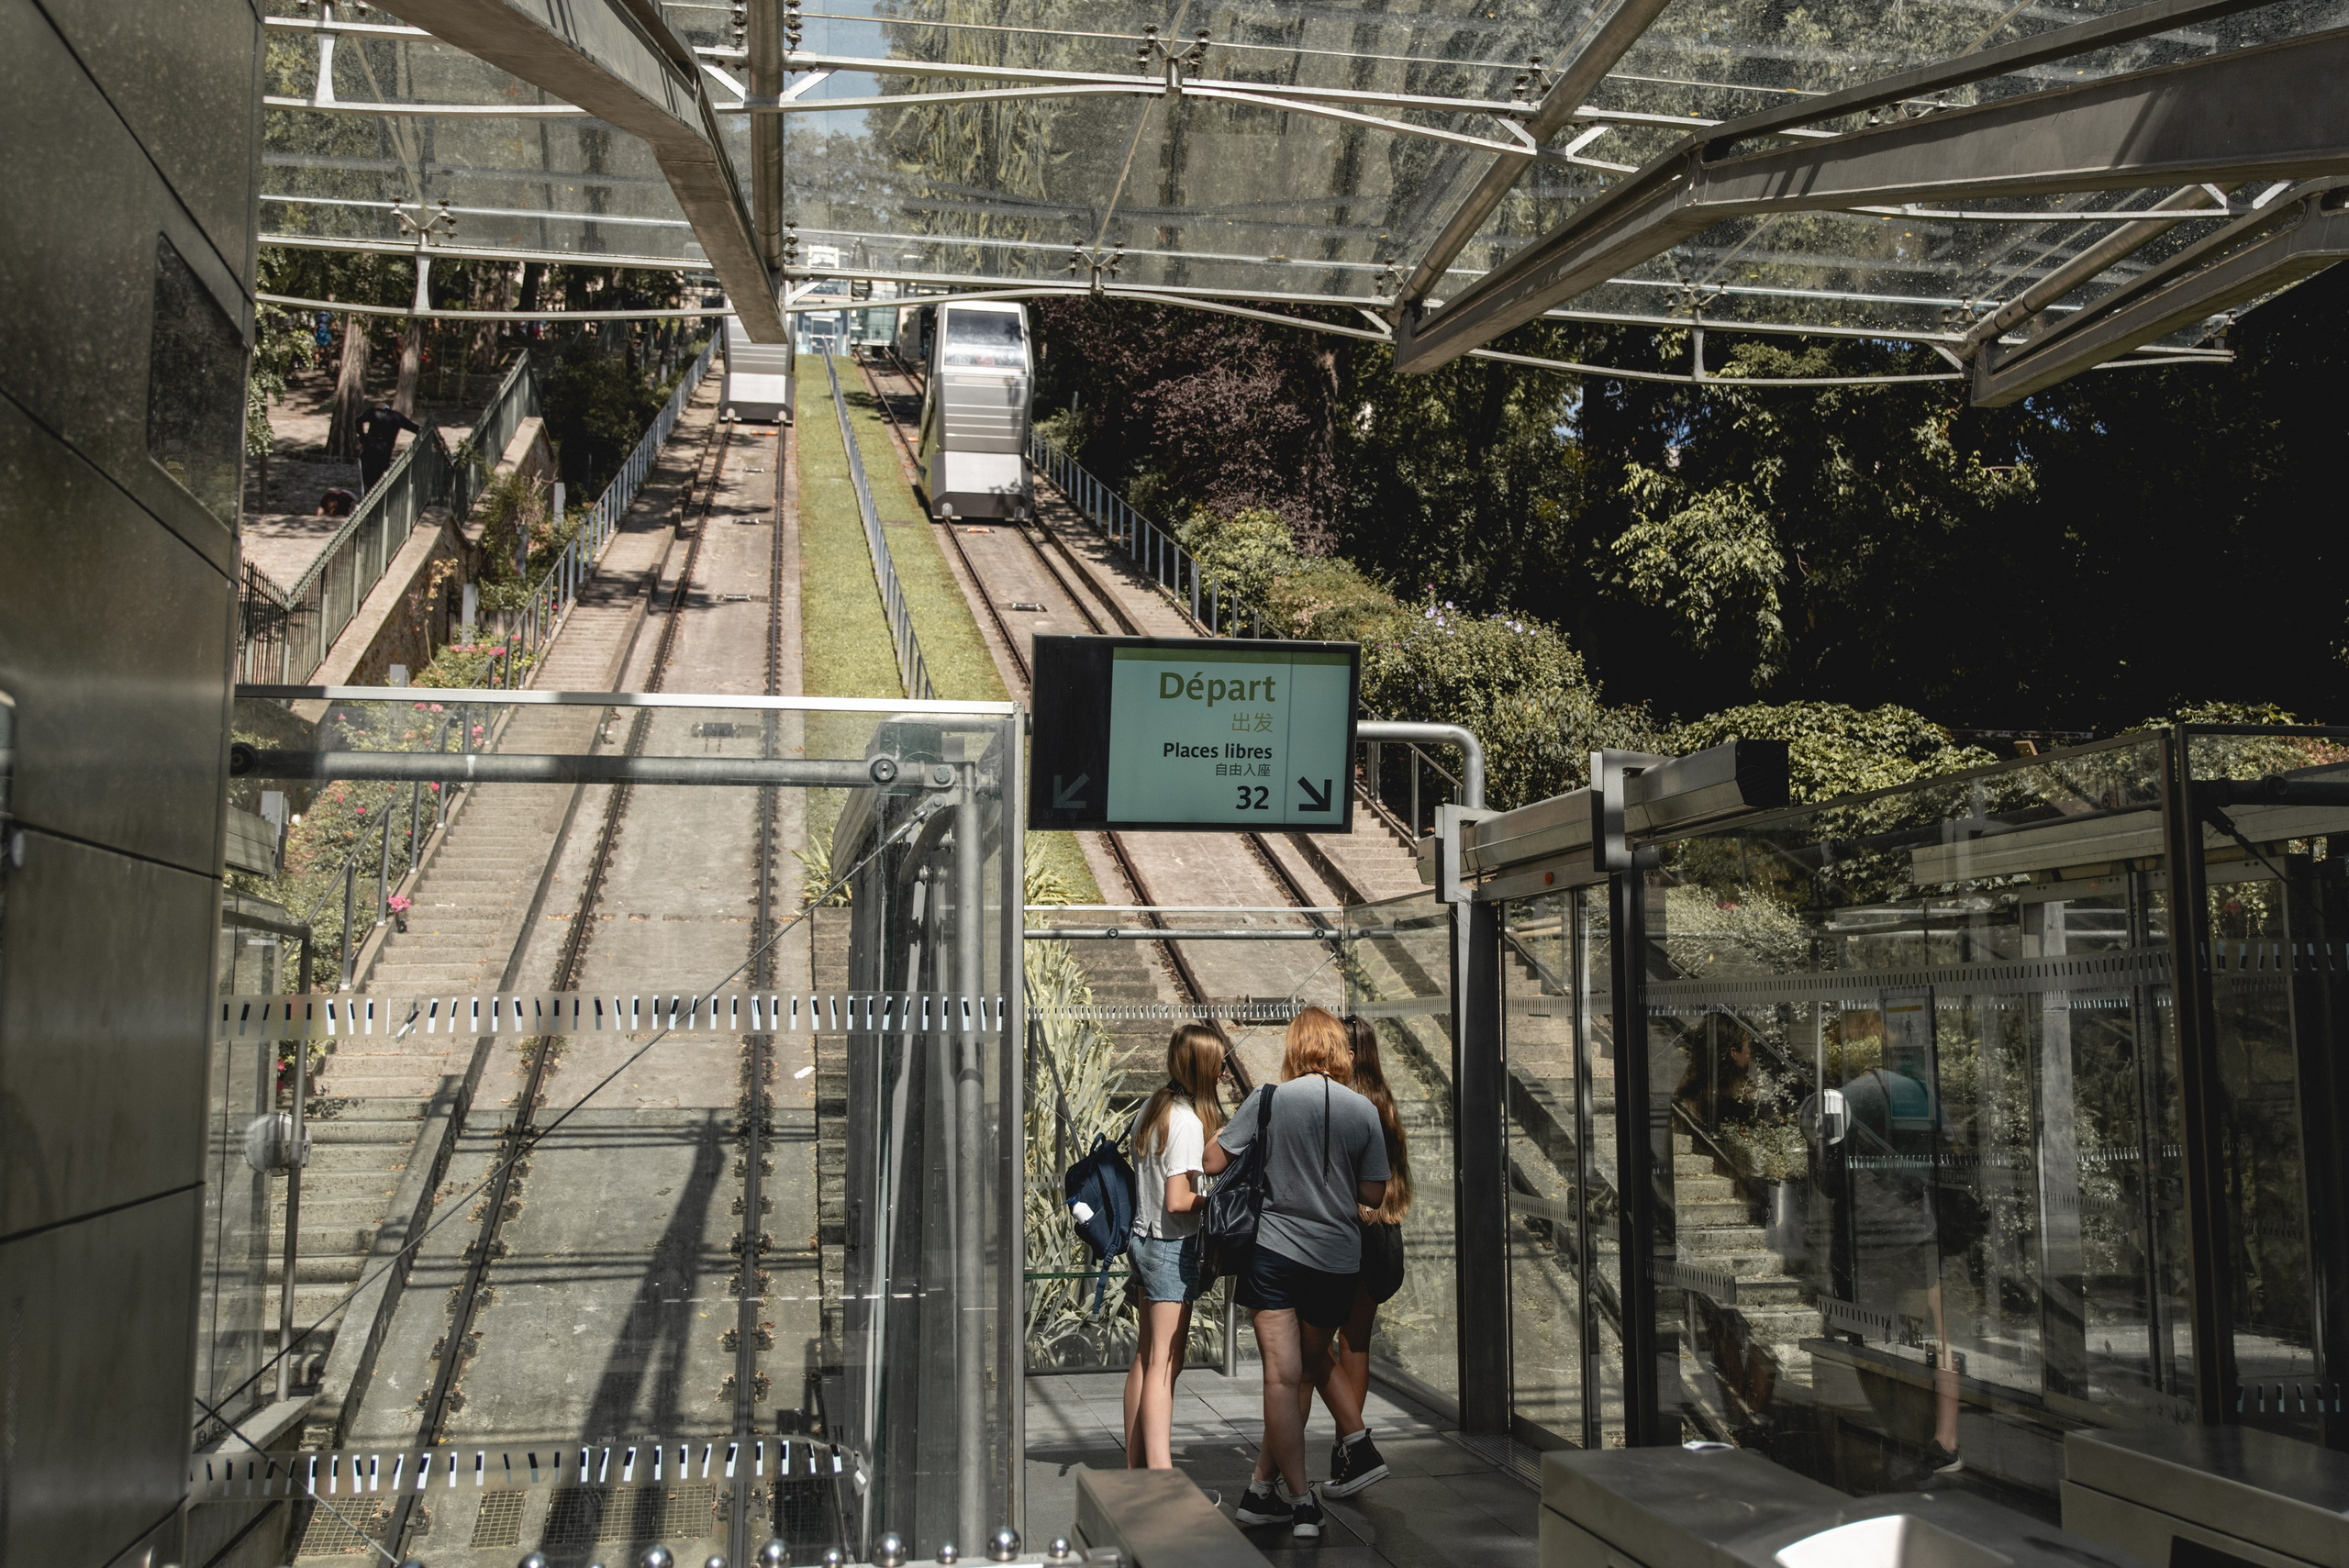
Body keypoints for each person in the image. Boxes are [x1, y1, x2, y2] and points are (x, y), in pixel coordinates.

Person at [1206, 1006, 1388, 1541]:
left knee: (1282, 1379)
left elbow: (1215, 1160)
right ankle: (1266, 1490)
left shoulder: (1268, 1100)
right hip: (1335, 1261)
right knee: (1306, 1370)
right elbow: (1373, 1193)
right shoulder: (1363, 1112)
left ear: (1294, 1047)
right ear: (1337, 1048)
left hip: (1274, 1255)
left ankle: (1298, 1501)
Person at [1293, 1014, 1411, 1498]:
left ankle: (1349, 1447)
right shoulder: (1383, 1102)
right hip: (1385, 1234)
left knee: (1313, 1348)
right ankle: (1348, 1449)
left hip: (1350, 1235)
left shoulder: (1346, 1105)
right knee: (1356, 1343)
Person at [1121, 1024, 1227, 1473]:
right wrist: (1219, 1200)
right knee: (1165, 1362)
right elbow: (1179, 1202)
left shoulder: (1153, 1105)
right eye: (1219, 1062)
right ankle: (1161, 1475)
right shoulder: (1185, 1121)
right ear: (1202, 1065)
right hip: (1169, 1248)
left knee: (1147, 1358)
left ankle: (1136, 1468)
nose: (1223, 1070)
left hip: (1143, 1241)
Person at [356, 400, 419, 492]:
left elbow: (358, 421)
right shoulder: (397, 417)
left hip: (369, 451)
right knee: (379, 481)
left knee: (368, 482)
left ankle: (368, 499)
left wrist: (362, 438)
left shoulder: (373, 413)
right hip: (384, 453)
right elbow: (415, 428)